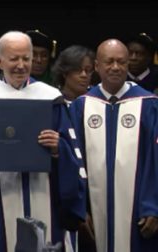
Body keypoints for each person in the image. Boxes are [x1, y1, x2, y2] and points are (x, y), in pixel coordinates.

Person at [0, 31, 86, 252]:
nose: (21, 65)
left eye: (26, 58)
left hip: (44, 194)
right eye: (14, 58)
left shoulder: (51, 97)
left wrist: (58, 148)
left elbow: (70, 154)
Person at [70, 38, 158, 252]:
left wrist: (153, 207)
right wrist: (79, 208)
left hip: (139, 211)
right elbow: (73, 161)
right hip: (93, 212)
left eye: (121, 62)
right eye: (109, 62)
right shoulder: (81, 106)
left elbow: (155, 160)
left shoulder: (149, 105)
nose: (116, 67)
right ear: (97, 66)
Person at [52, 45, 96, 252]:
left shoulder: (97, 106)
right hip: (64, 195)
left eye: (89, 70)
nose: (85, 75)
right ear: (65, 72)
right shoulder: (53, 104)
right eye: (79, 70)